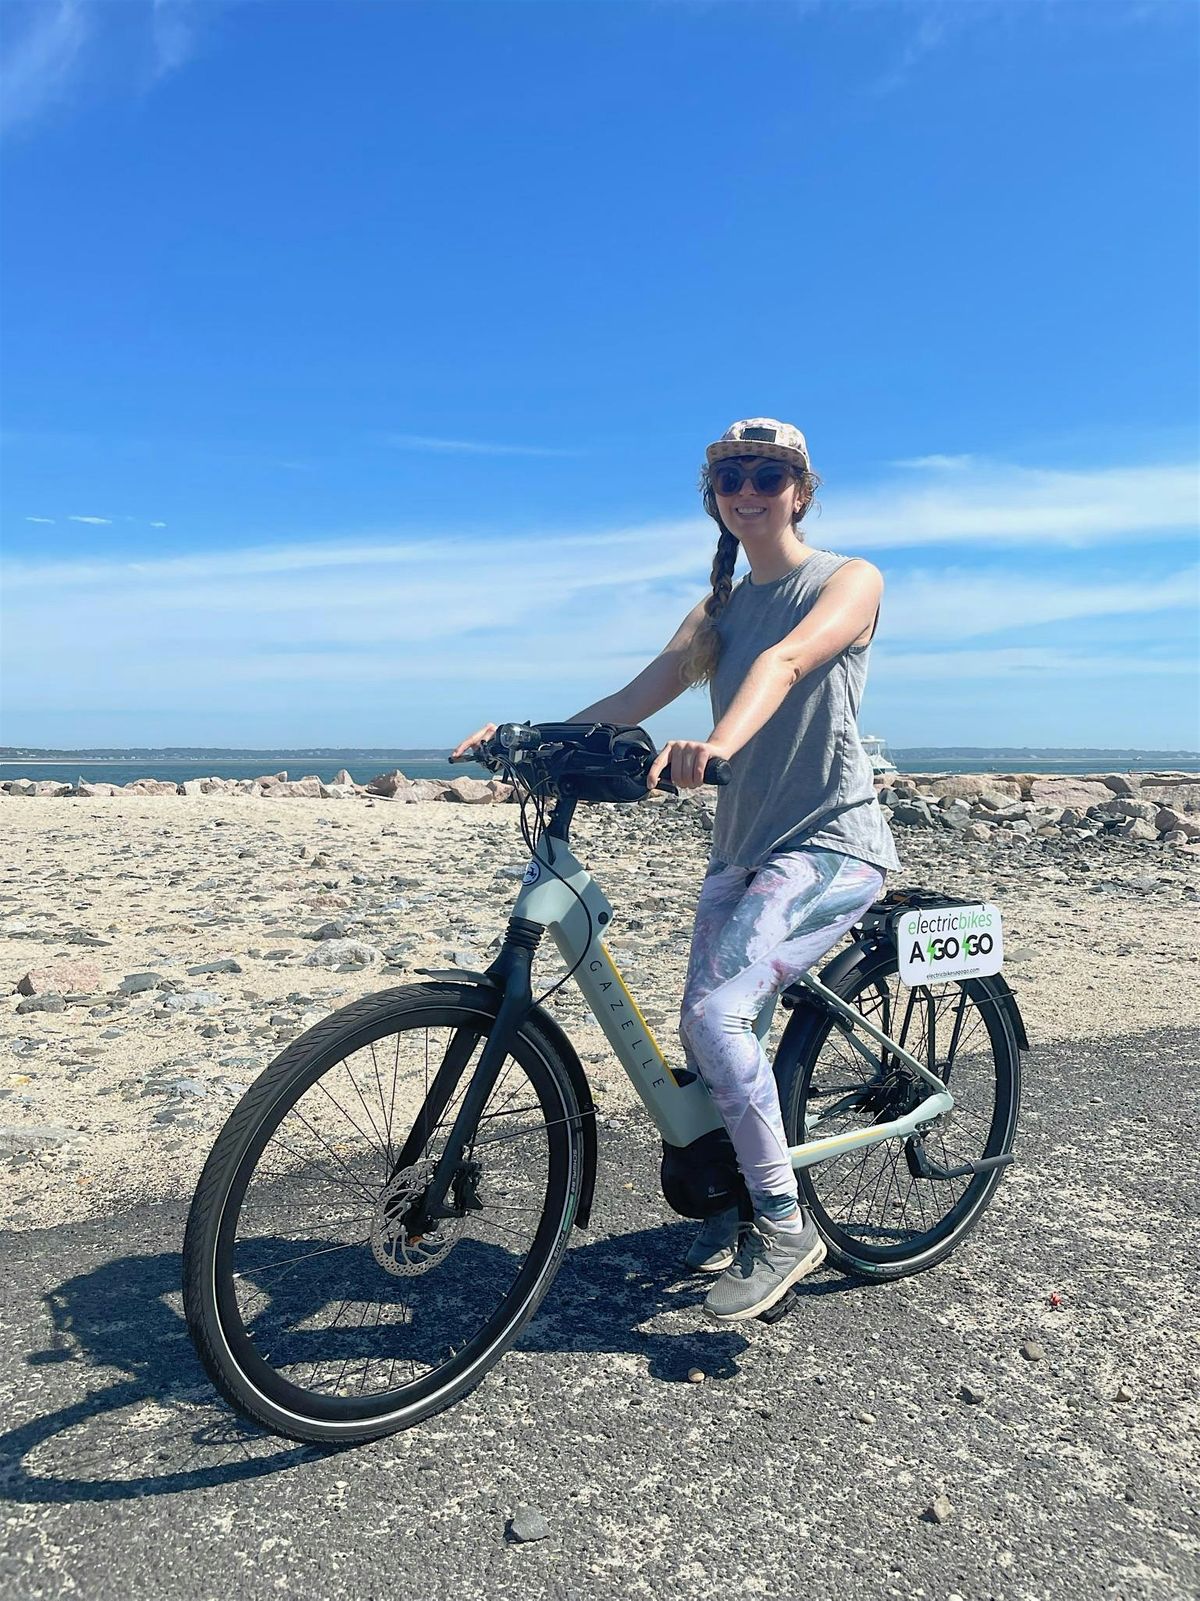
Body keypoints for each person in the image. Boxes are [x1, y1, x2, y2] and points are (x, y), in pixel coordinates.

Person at [451, 417, 900, 1324]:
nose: (749, 487)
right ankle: (741, 1178)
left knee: (714, 1013)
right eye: (732, 473)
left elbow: (788, 661)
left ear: (800, 490)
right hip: (740, 852)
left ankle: (783, 1226)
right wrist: (528, 739)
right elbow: (632, 699)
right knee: (706, 1035)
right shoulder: (717, 611)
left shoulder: (848, 579)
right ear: (714, 494)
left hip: (828, 840)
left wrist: (717, 742)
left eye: (769, 474)